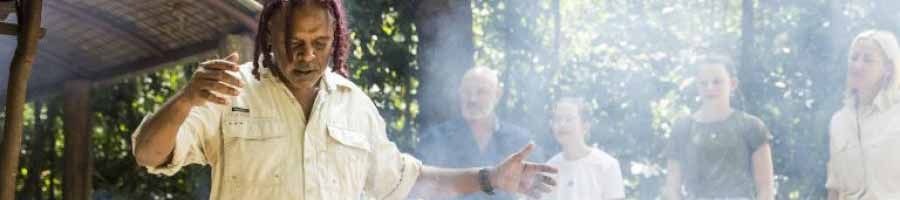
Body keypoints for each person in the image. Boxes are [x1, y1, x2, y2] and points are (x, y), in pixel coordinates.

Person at [130, 1, 557, 199]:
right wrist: (185, 100)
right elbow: (149, 154)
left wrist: (489, 179)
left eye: (319, 42)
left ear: (336, 41)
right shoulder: (229, 92)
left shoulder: (355, 105)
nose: (306, 55)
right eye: (293, 41)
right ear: (269, 37)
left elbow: (409, 180)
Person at [414, 66, 542, 200]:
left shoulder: (520, 141)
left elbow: (538, 191)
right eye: (466, 92)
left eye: (481, 92)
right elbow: (415, 185)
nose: (472, 99)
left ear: (497, 94)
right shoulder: (436, 138)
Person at [662, 54, 774, 200]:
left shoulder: (751, 126)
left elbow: (765, 189)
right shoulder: (682, 128)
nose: (710, 88)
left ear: (732, 84)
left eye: (717, 82)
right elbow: (672, 188)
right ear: (697, 86)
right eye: (704, 83)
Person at [826, 30, 900, 200]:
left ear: (888, 69)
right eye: (854, 58)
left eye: (868, 60)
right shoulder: (838, 121)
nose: (857, 66)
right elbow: (834, 188)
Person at [541, 97, 625, 200]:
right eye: (557, 119)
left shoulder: (607, 165)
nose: (562, 124)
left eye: (569, 119)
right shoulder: (548, 170)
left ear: (585, 126)